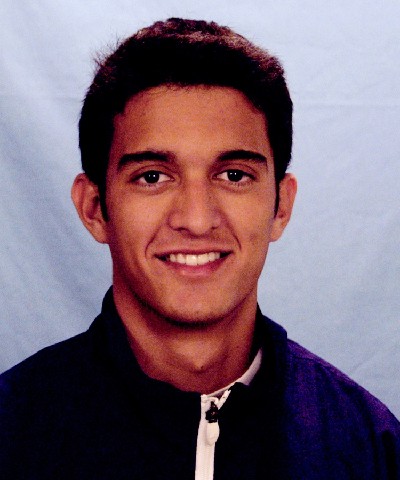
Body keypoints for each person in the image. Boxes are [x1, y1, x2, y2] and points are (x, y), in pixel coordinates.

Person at [0, 17, 399, 479]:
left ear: (281, 206)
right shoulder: (11, 433)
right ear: (94, 208)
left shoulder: (369, 448)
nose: (195, 219)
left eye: (234, 175)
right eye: (152, 177)